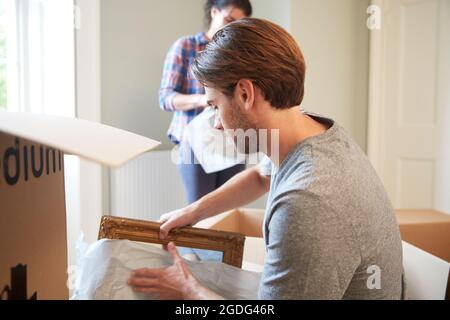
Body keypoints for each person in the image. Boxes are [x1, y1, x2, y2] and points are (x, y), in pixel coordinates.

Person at [131, 18, 406, 300]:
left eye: (214, 106)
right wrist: (194, 211)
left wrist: (189, 291)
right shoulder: (309, 129)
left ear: (245, 94)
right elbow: (261, 176)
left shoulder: (308, 200)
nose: (215, 124)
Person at [159, 0, 252, 205]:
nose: (231, 28)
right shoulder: (185, 47)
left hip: (230, 141)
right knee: (199, 211)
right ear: (214, 12)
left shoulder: (239, 57)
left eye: (238, 24)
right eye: (229, 20)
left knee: (229, 211)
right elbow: (165, 98)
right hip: (194, 143)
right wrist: (204, 100)